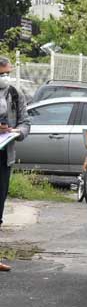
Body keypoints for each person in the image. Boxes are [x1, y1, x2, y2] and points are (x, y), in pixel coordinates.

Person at [0, 56, 30, 271]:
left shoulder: (14, 93)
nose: (6, 77)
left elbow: (25, 122)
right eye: (2, 73)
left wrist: (17, 132)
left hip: (5, 155)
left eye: (8, 73)